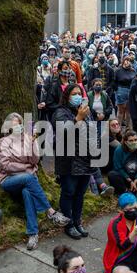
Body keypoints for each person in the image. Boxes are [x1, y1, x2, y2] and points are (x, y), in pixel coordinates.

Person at [0, 112, 70, 250]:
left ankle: (33, 234)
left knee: (27, 193)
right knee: (29, 177)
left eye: (19, 124)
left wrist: (31, 144)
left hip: (27, 181)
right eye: (14, 125)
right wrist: (25, 168)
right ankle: (51, 212)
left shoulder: (28, 139)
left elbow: (35, 161)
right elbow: (5, 165)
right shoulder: (3, 142)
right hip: (8, 180)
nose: (17, 127)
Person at [52, 84, 96, 240]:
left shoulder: (85, 111)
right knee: (69, 192)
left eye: (79, 93)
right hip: (68, 159)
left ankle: (78, 221)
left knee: (80, 193)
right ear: (67, 96)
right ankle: (68, 224)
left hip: (85, 158)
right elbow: (64, 133)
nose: (77, 96)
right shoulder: (60, 112)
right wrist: (78, 118)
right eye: (74, 94)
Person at [113, 56, 137, 128]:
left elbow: (135, 80)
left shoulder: (133, 71)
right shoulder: (118, 70)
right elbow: (114, 81)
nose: (128, 62)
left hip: (130, 90)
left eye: (129, 60)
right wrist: (117, 90)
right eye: (126, 60)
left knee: (129, 111)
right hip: (121, 91)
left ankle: (128, 128)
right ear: (123, 61)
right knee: (120, 111)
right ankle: (118, 128)